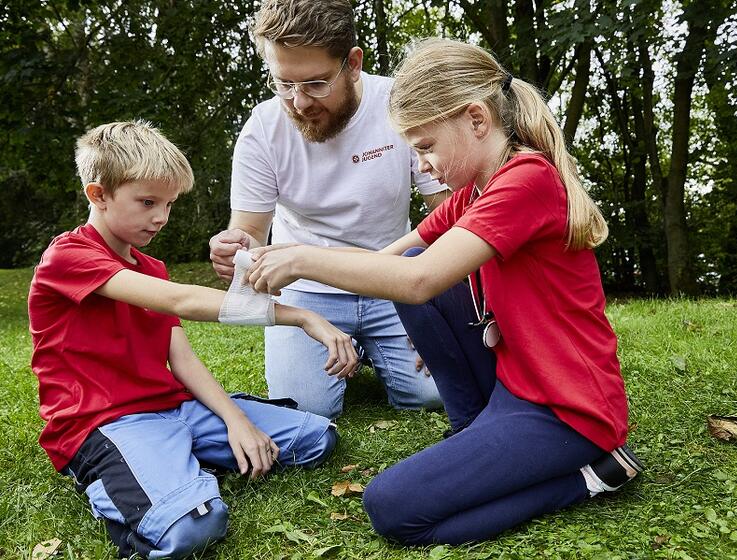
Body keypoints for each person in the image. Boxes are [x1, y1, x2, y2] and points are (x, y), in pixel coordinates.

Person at [242, 39, 644, 545]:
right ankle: (472, 429)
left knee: (391, 508)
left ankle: (591, 475)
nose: (423, 165)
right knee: (412, 261)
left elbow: (420, 281)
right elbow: (393, 260)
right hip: (515, 385)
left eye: (426, 146)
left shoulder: (527, 181)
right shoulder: (477, 190)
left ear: (476, 119)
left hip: (570, 409)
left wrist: (298, 258)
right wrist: (301, 284)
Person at [28, 121, 355, 559]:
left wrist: (237, 419)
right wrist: (299, 315)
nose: (161, 217)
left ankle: (182, 461)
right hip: (105, 422)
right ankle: (149, 482)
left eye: (168, 204)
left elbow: (180, 359)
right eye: (147, 202)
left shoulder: (152, 266)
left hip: (174, 407)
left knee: (316, 438)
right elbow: (180, 300)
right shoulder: (69, 257)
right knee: (191, 528)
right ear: (98, 195)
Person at [209, 0, 448, 420]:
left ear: (353, 63)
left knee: (435, 393)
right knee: (304, 409)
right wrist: (235, 248)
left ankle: (375, 347)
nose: (298, 102)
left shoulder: (399, 105)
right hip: (304, 290)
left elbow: (448, 215)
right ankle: (351, 350)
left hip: (392, 279)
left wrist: (441, 308)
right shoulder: (262, 129)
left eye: (316, 84)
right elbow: (249, 233)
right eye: (283, 84)